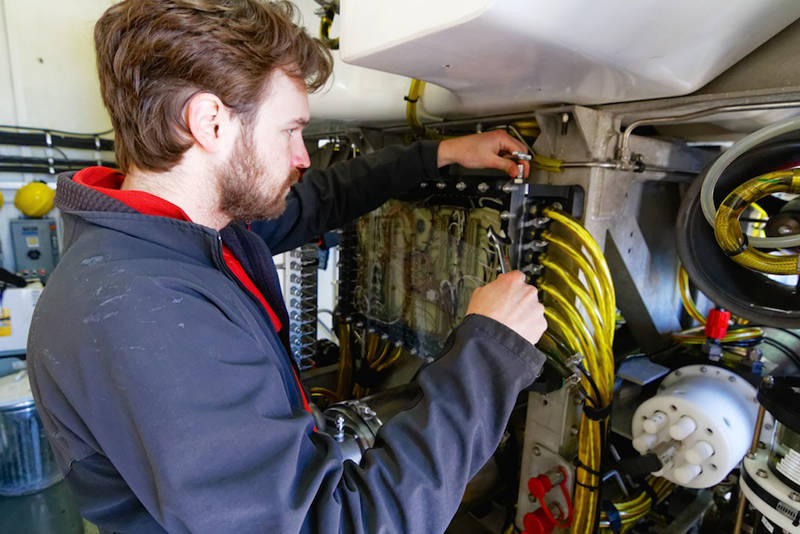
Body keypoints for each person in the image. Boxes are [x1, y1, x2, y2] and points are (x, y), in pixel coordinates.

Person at [27, 1, 548, 532]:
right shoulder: (145, 311)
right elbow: (338, 524)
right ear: (209, 123)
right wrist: (490, 350)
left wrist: (438, 154)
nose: (302, 155)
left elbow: (318, 198)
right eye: (290, 130)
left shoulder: (178, 235)